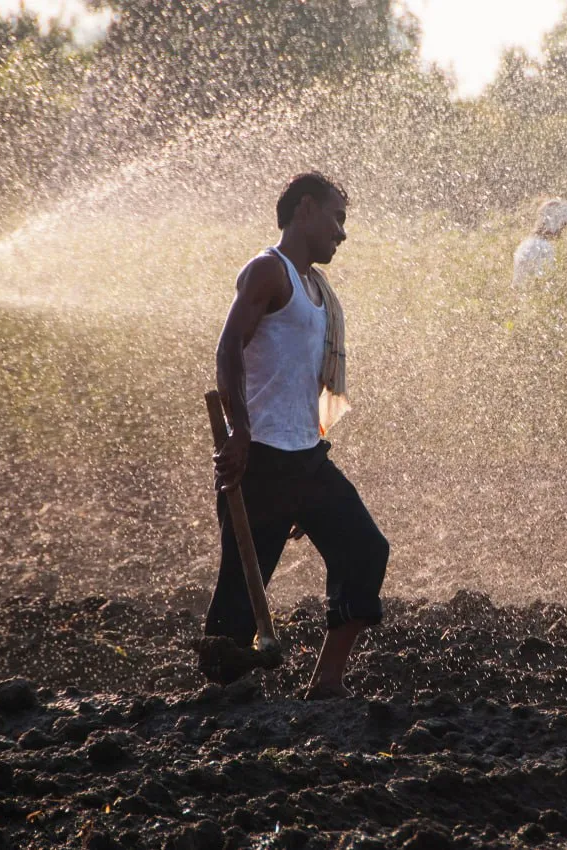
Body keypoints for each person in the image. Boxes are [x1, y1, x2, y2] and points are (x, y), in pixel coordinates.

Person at [205, 171, 389, 700]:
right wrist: (240, 432)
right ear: (305, 209)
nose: (342, 233)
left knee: (365, 551)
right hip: (260, 462)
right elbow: (228, 350)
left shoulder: (316, 288)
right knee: (240, 597)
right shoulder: (269, 270)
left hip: (306, 459)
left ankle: (327, 681)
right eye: (337, 218)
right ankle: (222, 702)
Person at [512, 198, 567, 289]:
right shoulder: (542, 247)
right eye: (563, 224)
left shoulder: (526, 243)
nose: (563, 229)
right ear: (555, 221)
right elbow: (543, 282)